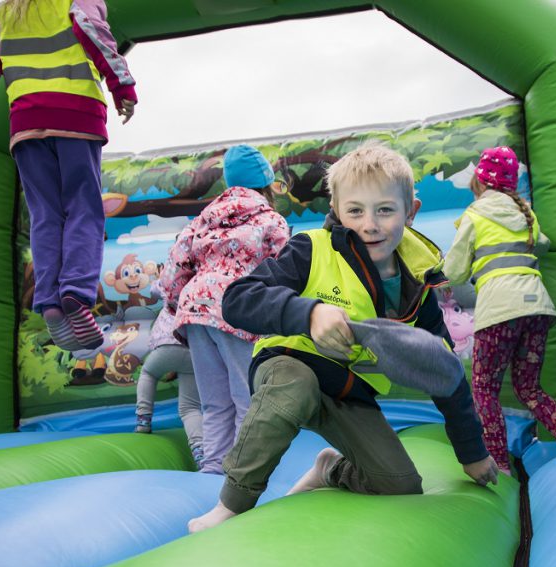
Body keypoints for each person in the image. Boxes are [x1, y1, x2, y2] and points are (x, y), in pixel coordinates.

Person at [186, 141, 498, 533]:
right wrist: (309, 313)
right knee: (295, 385)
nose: (370, 224)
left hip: (347, 391)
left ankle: (330, 469)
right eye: (355, 211)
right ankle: (232, 503)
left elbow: (443, 369)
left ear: (411, 211)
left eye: (385, 210)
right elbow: (237, 300)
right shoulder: (311, 249)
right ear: (336, 210)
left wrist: (471, 452)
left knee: (400, 484)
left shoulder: (418, 282)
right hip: (289, 367)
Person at [0, 0, 138, 351]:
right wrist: (122, 87)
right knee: (83, 208)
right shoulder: (76, 1)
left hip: (27, 123)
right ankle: (75, 293)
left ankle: (50, 303)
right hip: (76, 115)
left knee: (45, 215)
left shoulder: (9, 12)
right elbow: (97, 37)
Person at [443, 146, 556, 474]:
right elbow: (542, 243)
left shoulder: (475, 215)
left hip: (500, 310)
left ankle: (500, 464)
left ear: (480, 181)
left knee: (484, 389)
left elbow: (455, 272)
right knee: (529, 388)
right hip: (538, 309)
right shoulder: (526, 214)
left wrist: (437, 273)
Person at [162, 145, 290, 475]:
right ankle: (246, 473)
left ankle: (214, 470)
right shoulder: (269, 220)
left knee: (215, 402)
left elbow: (174, 268)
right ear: (266, 184)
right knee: (248, 397)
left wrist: (177, 305)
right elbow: (286, 269)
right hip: (238, 308)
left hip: (195, 308)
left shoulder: (202, 220)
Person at [133, 282, 208, 470]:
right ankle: (200, 450)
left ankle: (143, 418)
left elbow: (153, 289)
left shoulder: (173, 282)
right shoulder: (201, 286)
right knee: (190, 408)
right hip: (192, 350)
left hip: (167, 343)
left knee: (148, 373)